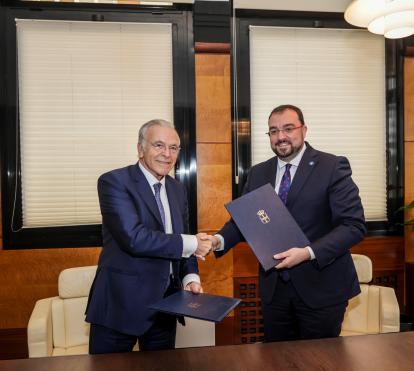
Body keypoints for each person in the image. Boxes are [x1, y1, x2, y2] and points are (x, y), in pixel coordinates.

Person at [209, 104, 366, 342]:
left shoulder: (332, 166)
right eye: (273, 131)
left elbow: (353, 226)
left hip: (321, 289)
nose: (281, 136)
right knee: (277, 360)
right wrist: (217, 240)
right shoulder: (258, 172)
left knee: (319, 362)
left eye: (288, 128)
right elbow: (244, 220)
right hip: (275, 292)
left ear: (304, 130)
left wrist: (308, 252)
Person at [86, 119, 212, 353]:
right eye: (158, 145)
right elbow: (134, 238)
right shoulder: (114, 182)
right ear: (140, 148)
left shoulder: (177, 189)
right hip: (119, 307)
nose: (167, 154)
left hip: (165, 307)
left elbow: (182, 240)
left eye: (173, 148)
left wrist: (190, 277)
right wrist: (194, 242)